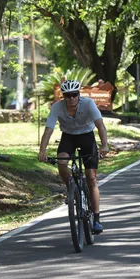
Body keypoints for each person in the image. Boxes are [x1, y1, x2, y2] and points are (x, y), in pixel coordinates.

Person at [38, 79, 109, 234]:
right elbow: (48, 130)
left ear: (79, 94)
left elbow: (100, 126)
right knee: (62, 163)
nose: (71, 98)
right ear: (63, 96)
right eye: (67, 95)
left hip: (87, 137)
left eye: (74, 95)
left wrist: (104, 145)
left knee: (91, 178)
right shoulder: (57, 107)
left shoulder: (89, 104)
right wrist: (42, 151)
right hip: (68, 137)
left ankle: (96, 220)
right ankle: (72, 191)